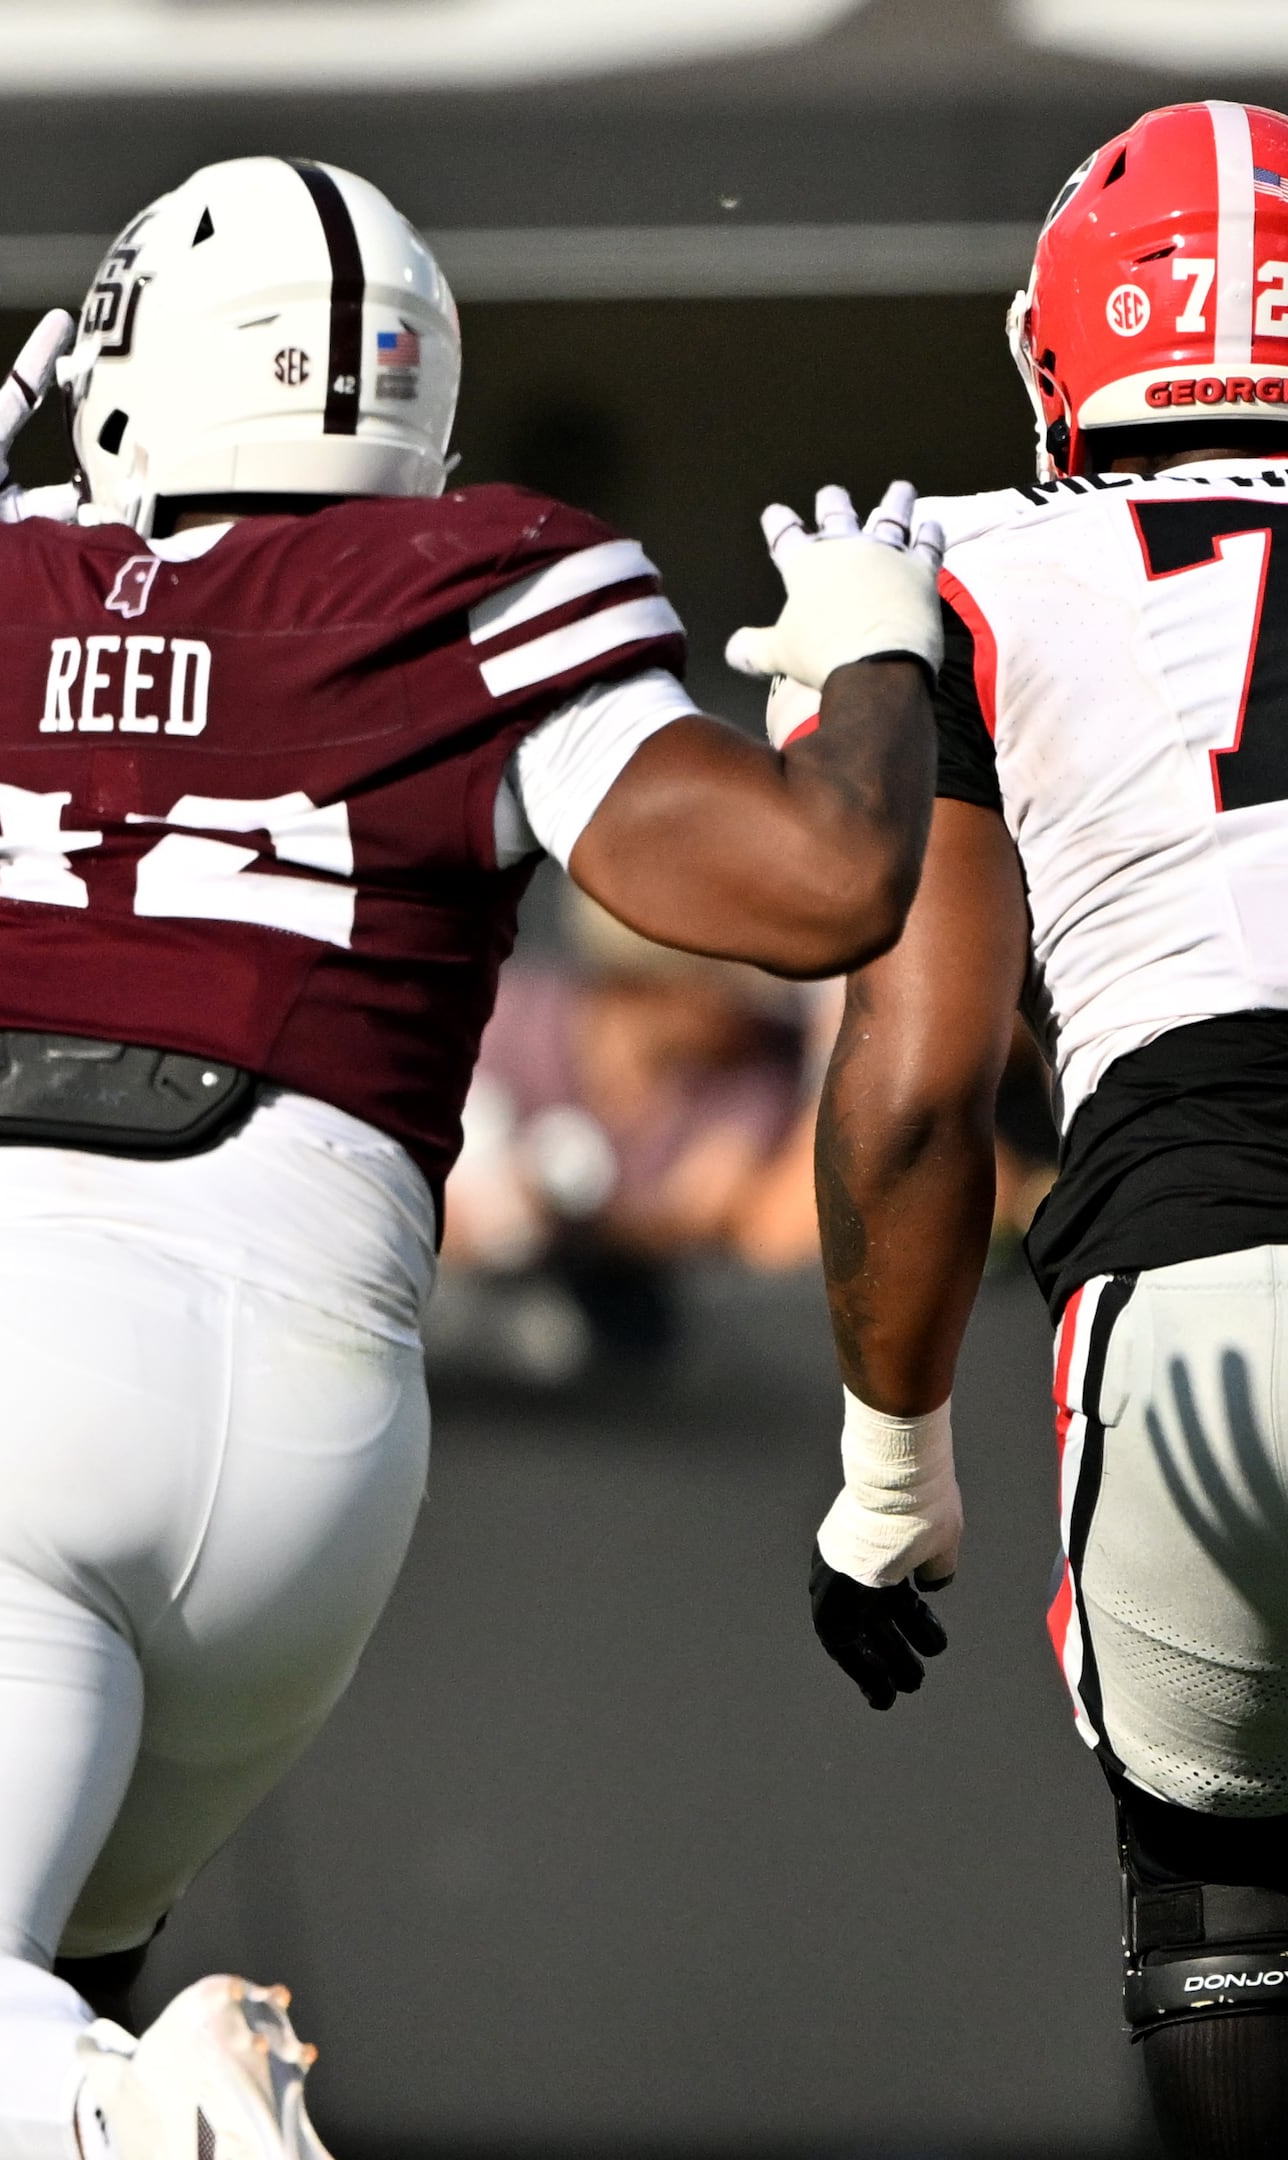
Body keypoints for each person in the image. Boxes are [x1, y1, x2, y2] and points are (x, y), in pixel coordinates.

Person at [0, 157, 947, 2158]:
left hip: (24, 1351)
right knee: (60, 2018)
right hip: (327, 1429)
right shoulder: (482, 584)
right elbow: (823, 881)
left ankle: (190, 2116)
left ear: (134, 371)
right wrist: (876, 662)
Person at [792, 98, 1288, 2160]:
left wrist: (890, 1470)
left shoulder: (982, 581)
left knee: (1226, 1905)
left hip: (1202, 1273)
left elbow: (916, 1091)